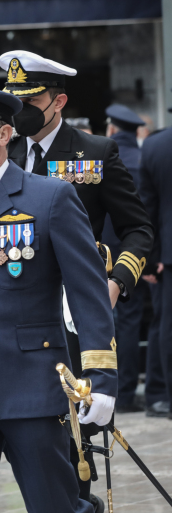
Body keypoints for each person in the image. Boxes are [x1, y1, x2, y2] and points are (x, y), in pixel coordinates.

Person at [0, 52, 152, 510]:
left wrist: (102, 379)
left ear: (2, 134)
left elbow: (90, 290)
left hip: (32, 386)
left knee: (55, 503)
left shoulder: (54, 195)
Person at [102, 105, 147, 413]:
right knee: (133, 323)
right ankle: (128, 391)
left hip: (104, 251)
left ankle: (111, 389)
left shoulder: (104, 160)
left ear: (112, 130)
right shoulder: (145, 159)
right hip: (139, 254)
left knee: (104, 323)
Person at [139, 120, 172, 419]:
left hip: (168, 257)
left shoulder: (155, 145)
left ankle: (163, 395)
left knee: (166, 326)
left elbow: (147, 209)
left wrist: (151, 257)